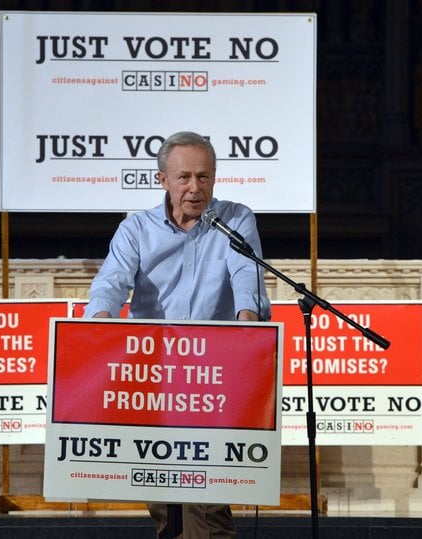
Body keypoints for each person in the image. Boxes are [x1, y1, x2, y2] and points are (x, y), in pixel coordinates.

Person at [84, 131, 271, 538]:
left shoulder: (235, 218)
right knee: (165, 501)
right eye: (184, 177)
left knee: (206, 497)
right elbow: (110, 283)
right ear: (162, 180)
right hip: (156, 375)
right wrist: (100, 323)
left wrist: (247, 326)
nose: (195, 187)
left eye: (204, 177)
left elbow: (246, 277)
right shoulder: (136, 229)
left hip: (214, 375)